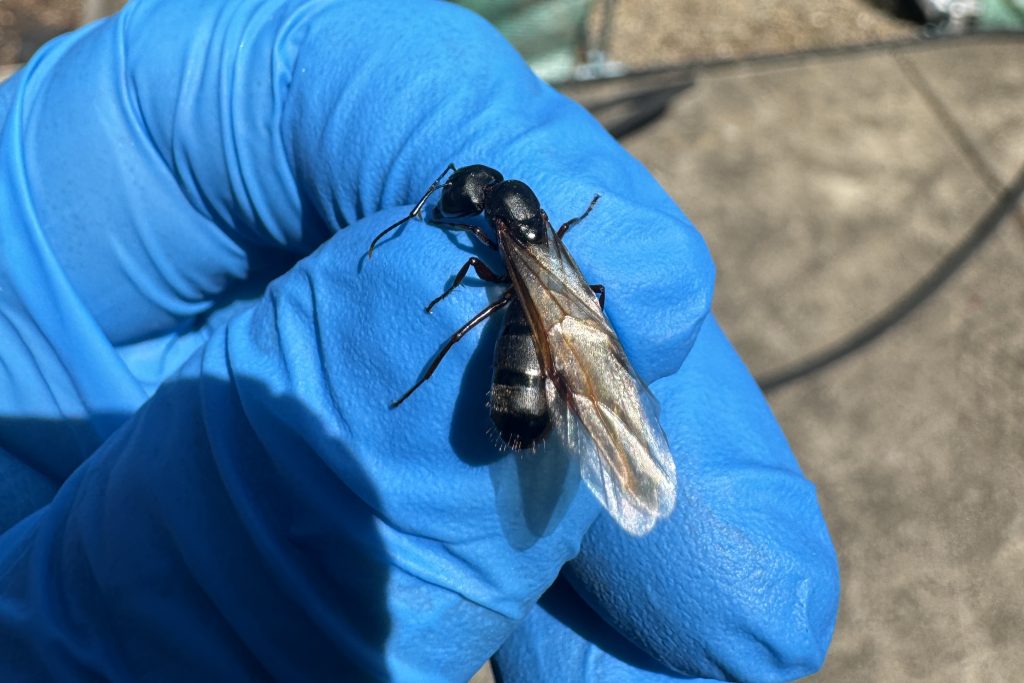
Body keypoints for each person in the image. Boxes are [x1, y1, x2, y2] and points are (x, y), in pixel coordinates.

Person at [0, 1, 839, 680]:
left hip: (527, 364)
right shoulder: (532, 225)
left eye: (464, 199)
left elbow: (491, 284)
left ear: (490, 214)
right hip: (545, 328)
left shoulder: (507, 241)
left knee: (470, 319)